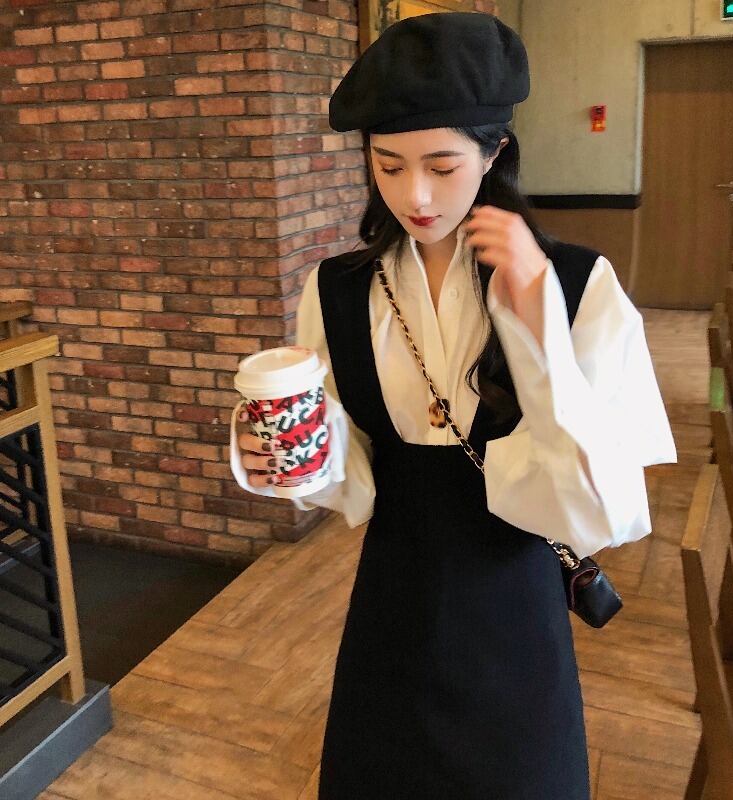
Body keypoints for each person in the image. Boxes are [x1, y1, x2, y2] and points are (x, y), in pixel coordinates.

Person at [230, 11, 677, 799]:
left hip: (514, 608)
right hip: (392, 598)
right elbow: (346, 464)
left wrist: (538, 328)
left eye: (442, 164)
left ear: (495, 151)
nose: (416, 194)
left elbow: (604, 507)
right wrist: (285, 456)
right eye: (389, 165)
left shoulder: (581, 285)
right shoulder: (337, 290)